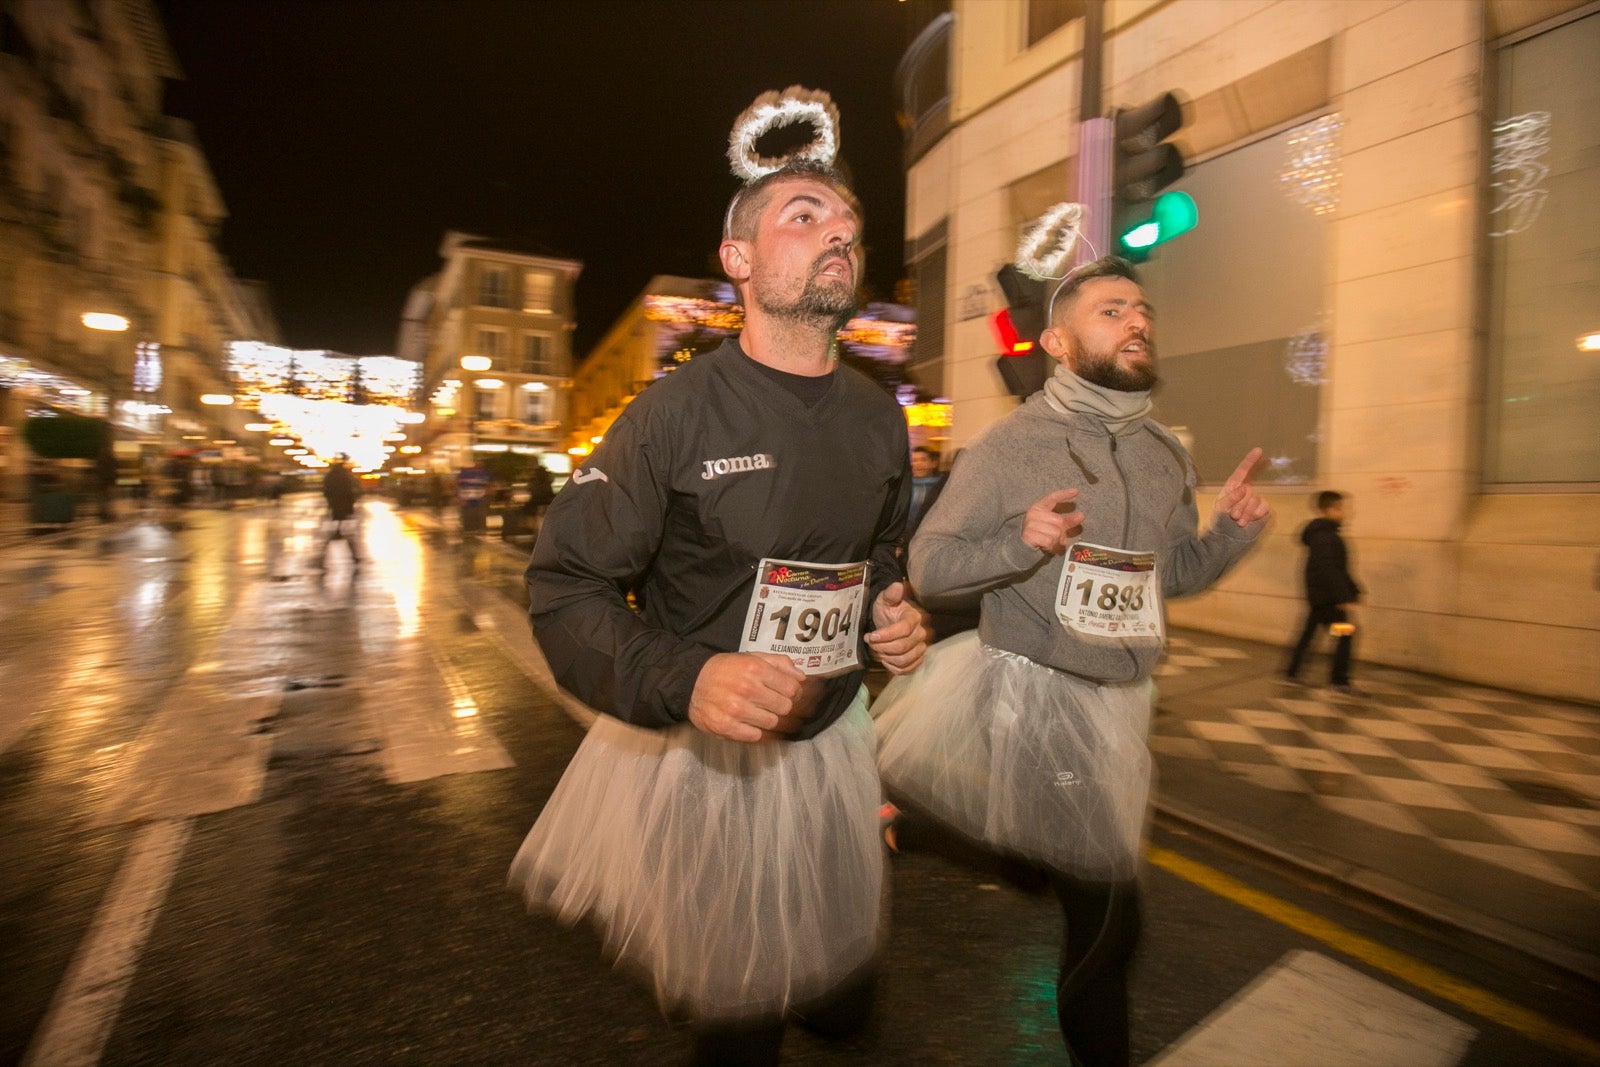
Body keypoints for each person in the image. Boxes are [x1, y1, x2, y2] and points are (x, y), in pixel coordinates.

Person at [510, 86, 930, 1065]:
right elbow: (563, 585)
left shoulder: (880, 418)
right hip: (708, 768)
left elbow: (878, 557)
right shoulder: (672, 415)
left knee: (841, 1001)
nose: (838, 234)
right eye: (804, 214)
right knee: (740, 1029)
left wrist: (892, 611)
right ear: (738, 259)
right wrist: (688, 677)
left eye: (848, 223)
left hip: (832, 747)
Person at [872, 252, 1270, 1067]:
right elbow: (930, 564)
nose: (1137, 322)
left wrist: (1229, 534)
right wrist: (1018, 541)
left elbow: (1172, 577)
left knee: (1036, 865)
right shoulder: (1011, 447)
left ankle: (910, 827)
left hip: (1124, 701)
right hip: (1035, 692)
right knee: (1110, 914)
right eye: (1112, 311)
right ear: (1057, 341)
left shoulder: (1163, 453)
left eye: (1142, 310)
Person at [1283, 490, 1360, 691]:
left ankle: (1292, 673)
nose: (1345, 512)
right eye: (1340, 508)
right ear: (1327, 510)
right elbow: (1329, 570)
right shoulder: (1326, 537)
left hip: (1320, 598)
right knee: (1345, 634)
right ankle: (1339, 682)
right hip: (1328, 600)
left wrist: (1353, 589)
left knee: (1309, 634)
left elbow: (1336, 568)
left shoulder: (1323, 535)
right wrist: (1343, 596)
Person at [317, 454, 361, 568]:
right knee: (349, 533)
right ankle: (354, 556)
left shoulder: (330, 476)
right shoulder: (346, 476)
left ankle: (322, 558)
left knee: (333, 531)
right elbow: (351, 490)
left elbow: (326, 490)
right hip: (345, 505)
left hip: (334, 504)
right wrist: (351, 503)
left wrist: (330, 501)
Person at [907, 445, 941, 530]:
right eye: (915, 460)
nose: (918, 464)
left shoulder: (940, 487)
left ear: (934, 463)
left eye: (923, 460)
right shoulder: (906, 487)